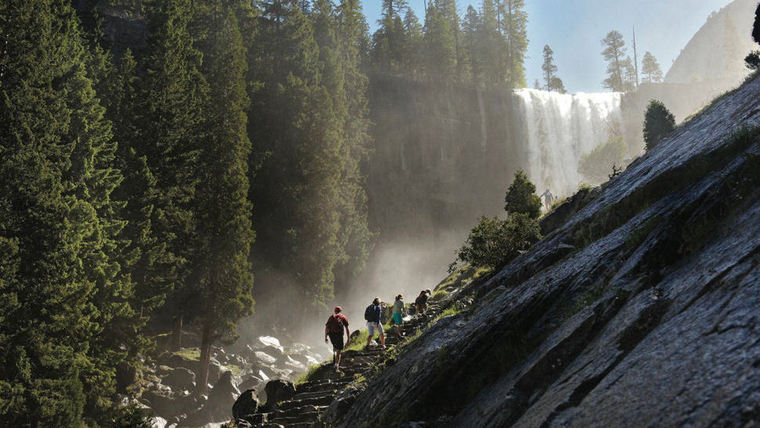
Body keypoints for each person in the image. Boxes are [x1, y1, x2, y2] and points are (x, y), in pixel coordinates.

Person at [324, 306, 350, 371]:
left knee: (335, 346)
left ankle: (334, 356)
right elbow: (347, 328)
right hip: (339, 335)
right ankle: (336, 364)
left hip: (331, 335)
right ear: (341, 311)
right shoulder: (343, 317)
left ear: (334, 310)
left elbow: (327, 328)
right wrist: (348, 338)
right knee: (339, 350)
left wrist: (326, 337)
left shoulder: (331, 317)